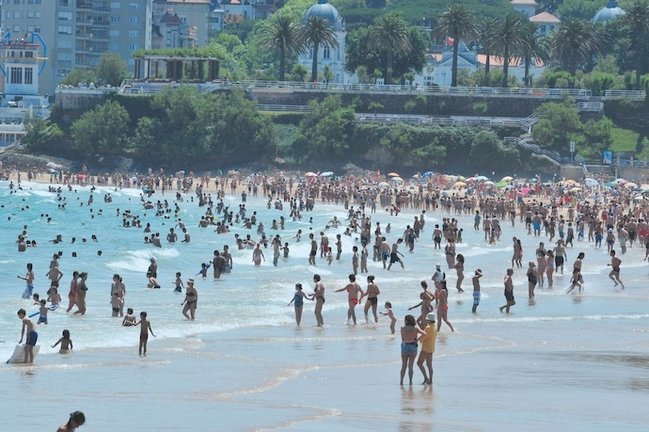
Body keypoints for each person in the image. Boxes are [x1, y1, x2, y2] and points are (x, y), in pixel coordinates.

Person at [400, 314, 425, 386]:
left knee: (404, 365)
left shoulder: (402, 328)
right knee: (410, 366)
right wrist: (417, 340)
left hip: (405, 346)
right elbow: (424, 333)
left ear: (406, 321)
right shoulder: (415, 328)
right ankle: (410, 382)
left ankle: (401, 382)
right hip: (413, 346)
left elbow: (402, 339)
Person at [417, 313, 438, 385]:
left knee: (419, 363)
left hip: (426, 348)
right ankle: (431, 380)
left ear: (429, 320)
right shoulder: (434, 327)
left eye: (426, 319)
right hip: (432, 347)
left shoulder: (428, 328)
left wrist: (417, 340)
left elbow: (423, 337)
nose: (425, 320)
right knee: (429, 365)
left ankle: (426, 378)